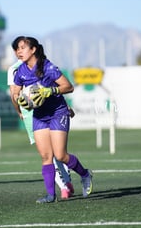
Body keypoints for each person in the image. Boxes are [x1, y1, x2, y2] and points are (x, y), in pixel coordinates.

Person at [10, 36, 93, 203]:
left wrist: (50, 91)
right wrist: (20, 102)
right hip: (40, 116)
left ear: (33, 49)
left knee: (60, 155)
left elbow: (69, 86)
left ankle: (85, 174)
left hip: (58, 112)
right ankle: (50, 195)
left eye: (22, 48)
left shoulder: (47, 67)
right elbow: (15, 93)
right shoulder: (20, 72)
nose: (19, 52)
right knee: (46, 156)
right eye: (16, 49)